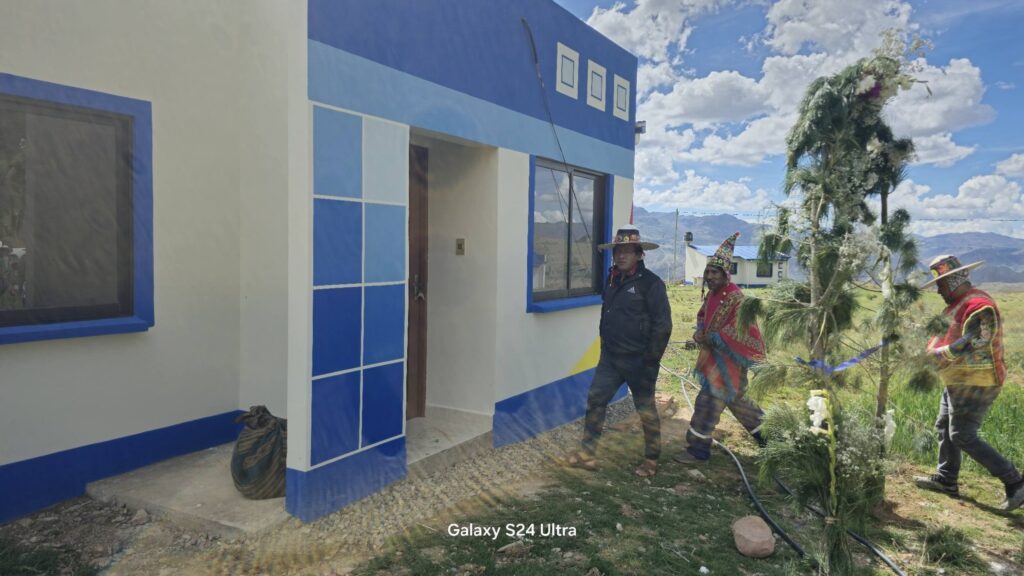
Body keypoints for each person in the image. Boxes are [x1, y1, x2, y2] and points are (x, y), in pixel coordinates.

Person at [912, 255, 1024, 512]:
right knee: (944, 426)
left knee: (962, 435)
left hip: (977, 381)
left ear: (954, 280)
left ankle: (1015, 482)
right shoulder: (957, 305)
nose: (939, 290)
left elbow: (973, 342)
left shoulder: (979, 306)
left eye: (941, 284)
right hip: (957, 379)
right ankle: (946, 479)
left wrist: (934, 355)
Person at [565, 225, 672, 478]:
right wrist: (605, 347)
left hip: (640, 361)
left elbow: (663, 325)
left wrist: (651, 360)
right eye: (618, 251)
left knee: (645, 409)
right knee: (595, 401)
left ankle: (651, 460)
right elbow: (608, 313)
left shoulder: (651, 284)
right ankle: (588, 454)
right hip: (611, 359)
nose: (621, 256)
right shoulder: (612, 279)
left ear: (639, 254)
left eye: (627, 251)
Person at [674, 232, 767, 464]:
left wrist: (717, 337)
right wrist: (699, 332)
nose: (709, 277)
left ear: (726, 274)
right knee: (741, 406)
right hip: (713, 361)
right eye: (708, 272)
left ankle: (698, 451)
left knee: (707, 404)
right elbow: (703, 316)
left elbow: (746, 330)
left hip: (729, 365)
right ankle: (773, 442)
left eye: (715, 273)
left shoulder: (737, 298)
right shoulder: (712, 295)